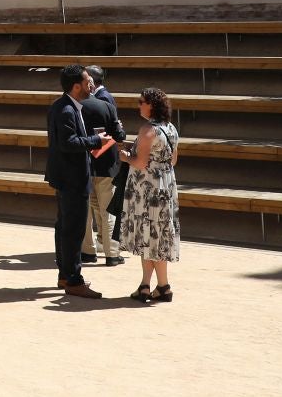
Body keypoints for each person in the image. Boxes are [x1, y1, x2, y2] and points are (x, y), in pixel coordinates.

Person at [46, 64, 107, 298]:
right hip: (72, 178)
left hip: (65, 176)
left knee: (65, 227)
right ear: (76, 86)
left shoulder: (64, 106)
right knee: (73, 230)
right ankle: (73, 279)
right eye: (86, 81)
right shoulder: (67, 110)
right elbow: (68, 143)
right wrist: (95, 140)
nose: (90, 85)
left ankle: (65, 275)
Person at [120, 87, 182, 303]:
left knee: (149, 233)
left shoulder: (148, 129)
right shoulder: (171, 128)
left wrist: (125, 157)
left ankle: (157, 286)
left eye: (141, 101)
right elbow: (173, 160)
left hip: (147, 188)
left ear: (151, 105)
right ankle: (152, 285)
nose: (139, 104)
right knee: (157, 234)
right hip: (166, 184)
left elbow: (139, 162)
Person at [81, 64, 126, 267]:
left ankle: (88, 251)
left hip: (85, 164)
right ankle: (111, 254)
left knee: (89, 211)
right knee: (106, 210)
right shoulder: (105, 105)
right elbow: (119, 135)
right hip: (105, 165)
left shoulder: (76, 106)